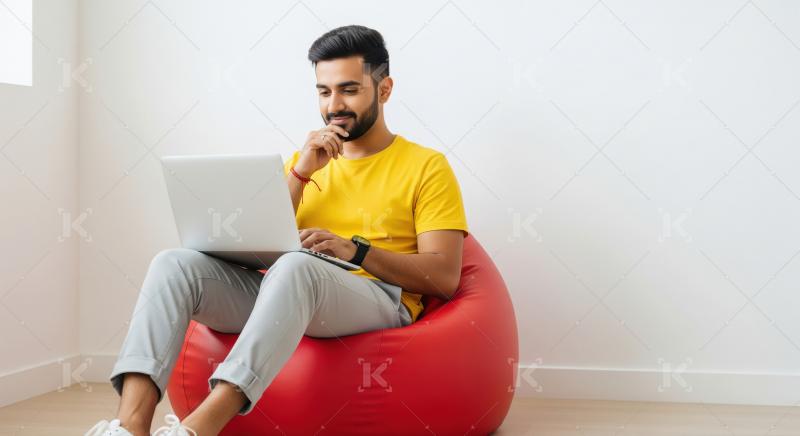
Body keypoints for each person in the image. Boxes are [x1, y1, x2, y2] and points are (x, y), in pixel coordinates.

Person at [86, 24, 469, 436]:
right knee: (173, 265)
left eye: (349, 89)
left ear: (385, 89)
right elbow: (265, 248)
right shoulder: (306, 162)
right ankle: (129, 427)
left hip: (379, 297)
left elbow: (444, 277)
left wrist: (354, 251)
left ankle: (198, 427)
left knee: (296, 268)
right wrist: (301, 173)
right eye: (323, 91)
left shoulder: (427, 166)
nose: (334, 105)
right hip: (291, 291)